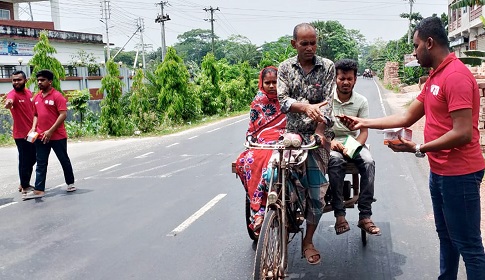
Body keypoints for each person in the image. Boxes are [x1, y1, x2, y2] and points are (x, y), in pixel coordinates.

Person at [341, 17, 485, 279]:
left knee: (469, 246)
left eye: (416, 46)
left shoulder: (456, 76)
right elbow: (406, 117)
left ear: (429, 43)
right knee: (447, 238)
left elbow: (463, 133)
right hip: (440, 172)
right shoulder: (435, 77)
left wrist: (419, 147)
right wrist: (364, 121)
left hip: (460, 174)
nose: (414, 52)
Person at [277, 23, 335, 265]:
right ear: (294, 44)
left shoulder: (328, 67)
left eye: (313, 43)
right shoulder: (284, 68)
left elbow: (330, 102)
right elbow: (283, 100)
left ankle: (308, 240)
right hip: (293, 134)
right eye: (304, 43)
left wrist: (320, 131)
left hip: (317, 137)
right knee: (276, 173)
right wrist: (306, 107)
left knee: (316, 190)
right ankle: (273, 214)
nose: (310, 47)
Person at [328, 59, 379, 236]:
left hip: (353, 142)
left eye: (349, 78)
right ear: (336, 78)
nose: (346, 82)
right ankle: (339, 215)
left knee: (368, 162)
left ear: (355, 79)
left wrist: (353, 147)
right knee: (334, 162)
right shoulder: (326, 100)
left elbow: (364, 132)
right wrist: (331, 143)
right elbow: (319, 129)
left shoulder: (361, 101)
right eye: (342, 78)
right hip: (332, 141)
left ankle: (365, 215)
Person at [235, 66, 286, 235]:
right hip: (262, 142)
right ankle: (258, 211)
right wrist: (250, 139)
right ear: (262, 84)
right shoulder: (257, 103)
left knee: (278, 161)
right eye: (268, 82)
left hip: (284, 141)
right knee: (246, 161)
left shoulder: (288, 101)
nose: (272, 86)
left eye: (275, 82)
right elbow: (252, 128)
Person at [23, 69, 76, 200]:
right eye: (38, 80)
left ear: (50, 82)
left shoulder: (57, 96)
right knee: (41, 162)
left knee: (64, 159)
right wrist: (33, 128)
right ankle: (39, 190)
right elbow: (35, 114)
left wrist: (51, 130)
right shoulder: (37, 97)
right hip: (41, 136)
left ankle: (70, 183)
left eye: (43, 80)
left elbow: (63, 115)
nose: (40, 82)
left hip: (57, 136)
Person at [4, 70, 36, 194]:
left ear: (25, 80)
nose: (16, 82)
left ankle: (23, 182)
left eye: (19, 80)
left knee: (33, 158)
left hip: (32, 133)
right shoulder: (12, 95)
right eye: (14, 80)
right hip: (21, 134)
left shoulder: (29, 93)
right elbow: (9, 102)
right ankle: (25, 186)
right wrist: (8, 104)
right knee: (24, 159)